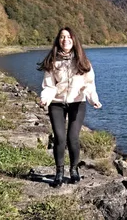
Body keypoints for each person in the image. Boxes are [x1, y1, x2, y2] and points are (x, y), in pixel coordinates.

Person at [38, 27, 102, 187]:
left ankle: (74, 170)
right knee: (59, 138)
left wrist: (93, 99)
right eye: (62, 37)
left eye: (68, 37)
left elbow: (89, 85)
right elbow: (49, 86)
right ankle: (59, 173)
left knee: (73, 137)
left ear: (74, 40)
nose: (65, 39)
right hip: (57, 103)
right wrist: (45, 99)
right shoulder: (52, 61)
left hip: (77, 103)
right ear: (58, 41)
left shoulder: (83, 62)